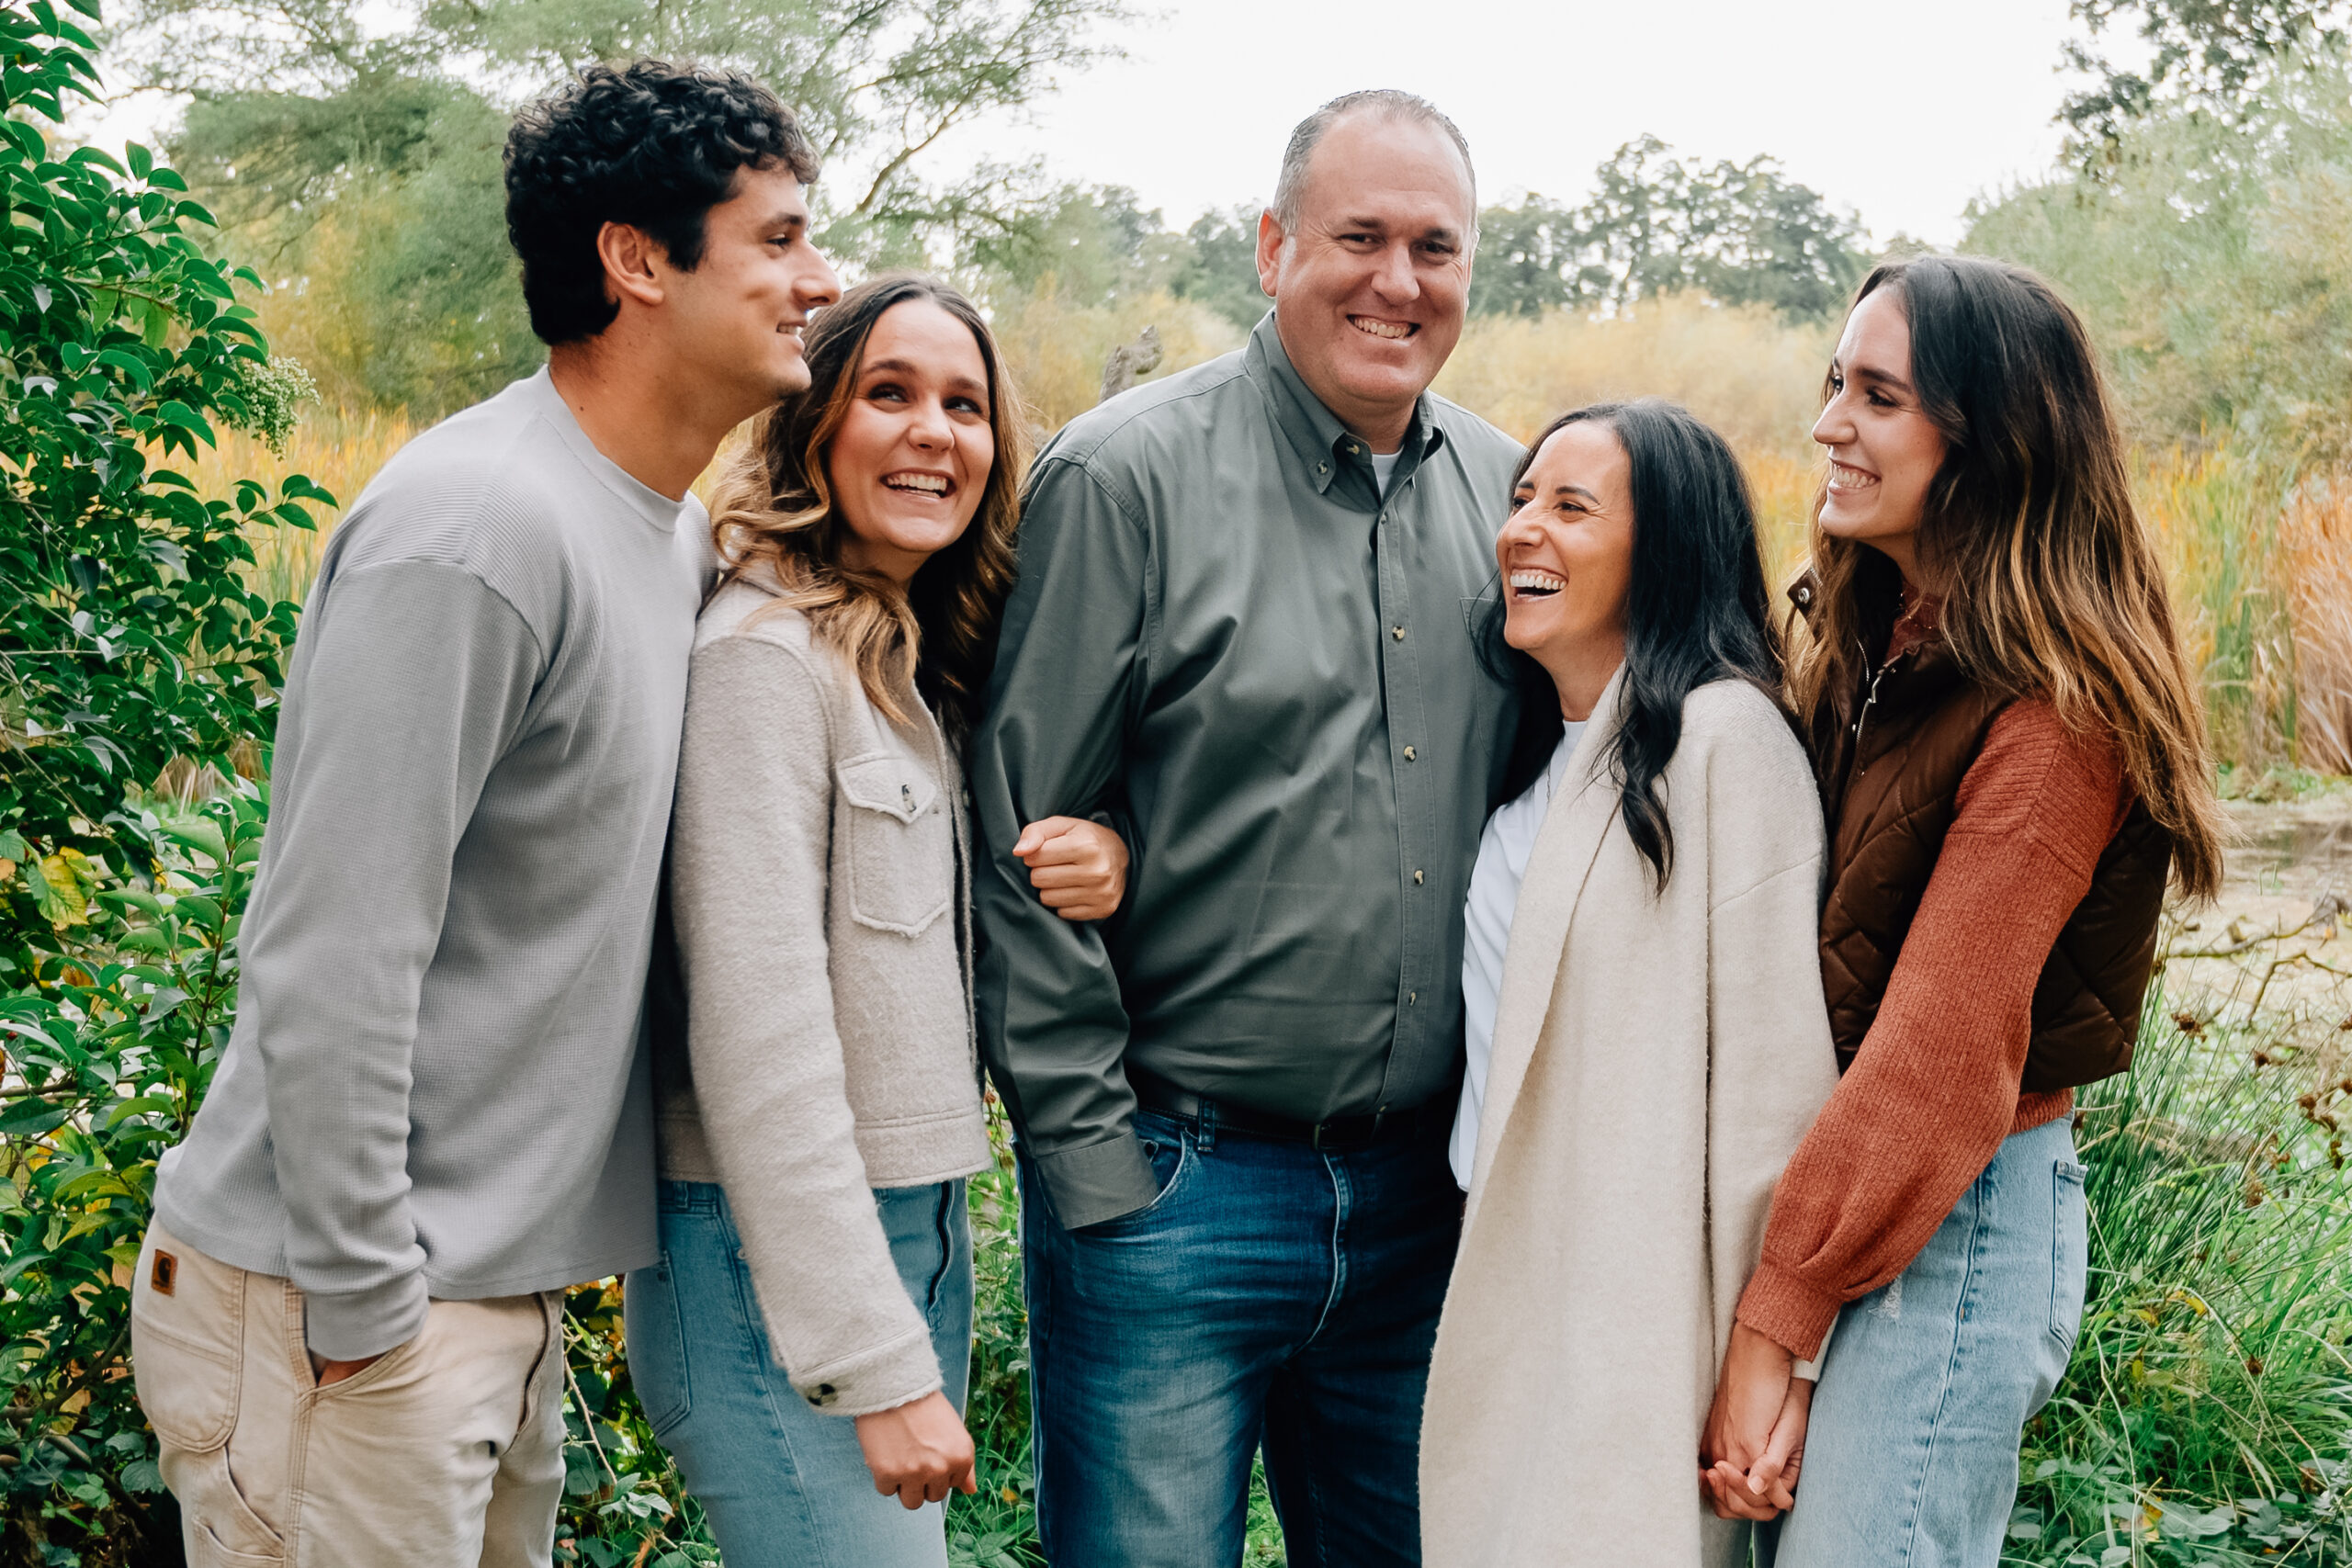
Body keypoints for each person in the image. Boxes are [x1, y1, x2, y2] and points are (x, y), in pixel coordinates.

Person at [128, 61, 842, 1568]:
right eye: (775, 238)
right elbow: (334, 950)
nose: (818, 278)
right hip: (353, 1305)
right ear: (638, 261)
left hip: (478, 1299)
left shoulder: (657, 537)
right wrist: (368, 1306)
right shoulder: (476, 531)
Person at [970, 89, 1524, 1564]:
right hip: (1179, 1185)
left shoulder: (1515, 497)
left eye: (1435, 247)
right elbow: (1023, 830)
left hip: (1429, 1202)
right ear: (1274, 244)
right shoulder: (1124, 477)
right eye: (1357, 237)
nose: (1396, 282)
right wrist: (1097, 1170)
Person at [1706, 254, 2228, 1566]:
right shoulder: (1874, 638)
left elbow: (1938, 1065)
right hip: (1852, 1193)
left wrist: (1781, 1319)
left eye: (1877, 396)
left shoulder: (2055, 715)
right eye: (1835, 382)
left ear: (1992, 441)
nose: (1829, 421)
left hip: (1957, 1215)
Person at [624, 274, 1129, 1567]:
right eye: (888, 393)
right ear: (812, 427)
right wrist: (871, 1356)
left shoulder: (900, 660)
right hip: (769, 1261)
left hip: (912, 1231)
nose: (934, 431)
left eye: (965, 405)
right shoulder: (762, 659)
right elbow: (760, 1038)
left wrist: (1107, 853)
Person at [1417, 400, 1840, 1568]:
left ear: (1663, 550)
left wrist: (1772, 1360)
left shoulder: (1723, 744)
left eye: (1570, 508)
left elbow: (1775, 1089)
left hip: (1634, 1306)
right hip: (1500, 1270)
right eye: (1518, 501)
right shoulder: (1539, 749)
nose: (1521, 533)